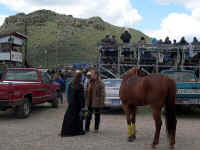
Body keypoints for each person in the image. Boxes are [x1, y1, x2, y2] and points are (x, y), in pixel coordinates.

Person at [61, 72, 85, 137]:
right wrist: (83, 105)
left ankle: (66, 131)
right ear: (80, 77)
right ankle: (77, 131)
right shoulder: (80, 86)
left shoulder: (71, 84)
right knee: (78, 118)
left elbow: (68, 94)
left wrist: (69, 101)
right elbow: (81, 97)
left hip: (71, 104)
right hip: (77, 104)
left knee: (69, 118)